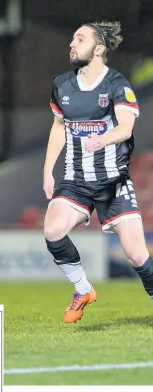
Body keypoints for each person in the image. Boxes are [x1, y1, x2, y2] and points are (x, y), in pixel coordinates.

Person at [43, 21, 153, 323]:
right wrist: (47, 171)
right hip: (76, 179)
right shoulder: (62, 84)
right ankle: (83, 290)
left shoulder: (117, 85)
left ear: (99, 48)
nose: (72, 44)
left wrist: (102, 139)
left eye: (80, 39)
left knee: (137, 256)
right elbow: (58, 127)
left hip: (113, 182)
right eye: (72, 38)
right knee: (52, 230)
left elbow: (126, 127)